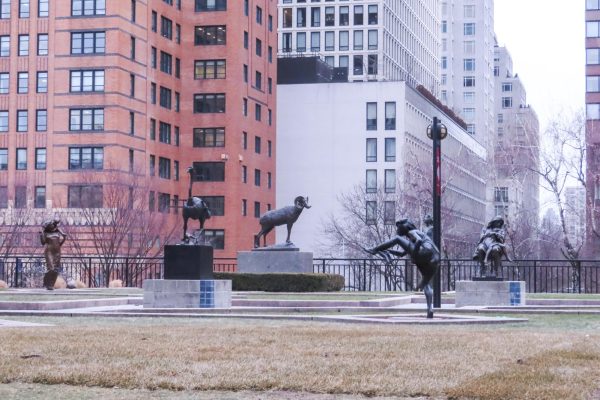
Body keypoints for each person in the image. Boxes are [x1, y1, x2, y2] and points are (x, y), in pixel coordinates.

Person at [367, 218, 440, 318]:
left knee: (397, 239)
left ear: (403, 227)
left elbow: (418, 241)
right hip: (435, 259)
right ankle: (429, 309)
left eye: (398, 227)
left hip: (425, 252)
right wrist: (390, 252)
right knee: (427, 285)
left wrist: (414, 256)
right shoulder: (415, 237)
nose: (397, 230)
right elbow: (402, 254)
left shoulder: (412, 232)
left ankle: (374, 250)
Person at [40, 218, 67, 290]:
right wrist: (42, 233)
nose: (53, 225)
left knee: (56, 269)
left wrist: (64, 238)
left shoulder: (57, 232)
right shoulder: (46, 233)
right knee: (51, 268)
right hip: (49, 251)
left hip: (57, 252)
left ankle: (51, 284)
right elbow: (43, 243)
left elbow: (59, 244)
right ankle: (46, 282)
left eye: (53, 224)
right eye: (51, 224)